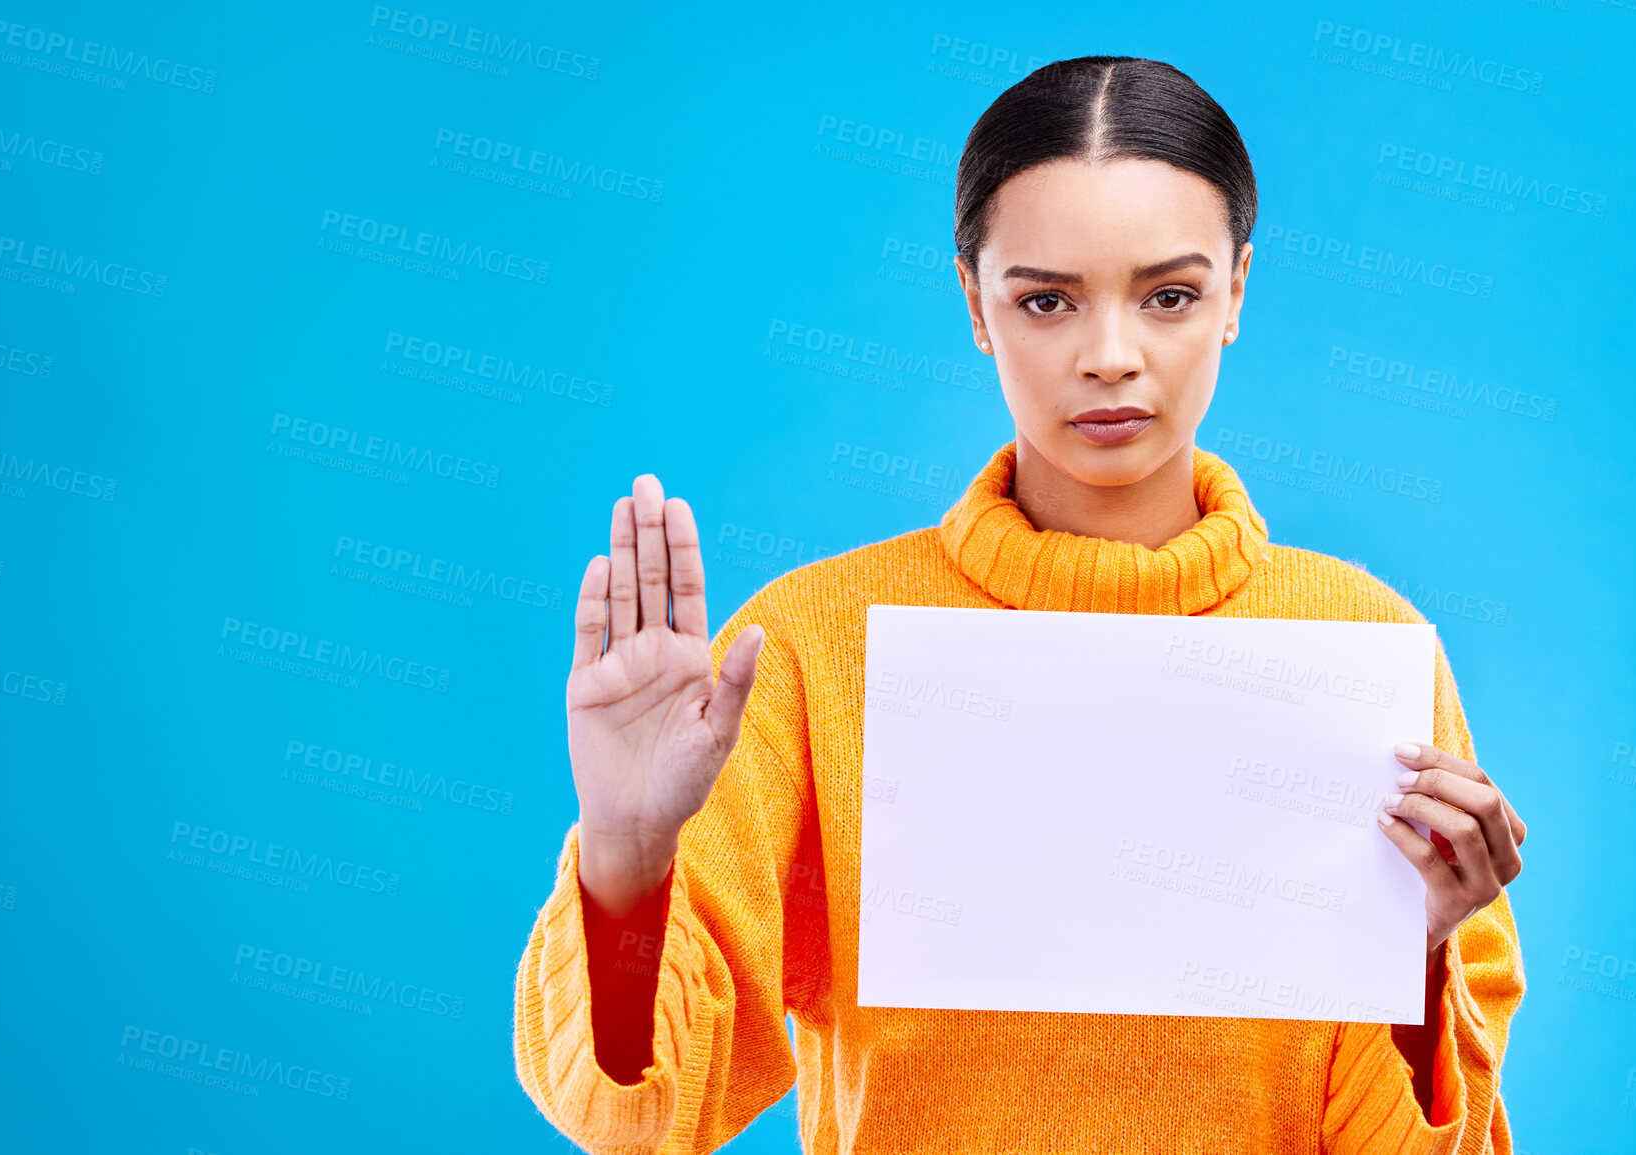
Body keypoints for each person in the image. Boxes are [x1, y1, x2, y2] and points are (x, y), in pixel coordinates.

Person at [512, 55, 1527, 1154]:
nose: (1109, 357)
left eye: (1170, 295)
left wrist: (1412, 960)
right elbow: (641, 1112)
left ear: (1237, 293)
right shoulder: (814, 644)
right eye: (1046, 299)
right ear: (975, 305)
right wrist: (625, 852)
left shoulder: (1363, 648)